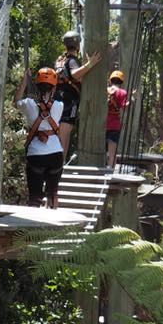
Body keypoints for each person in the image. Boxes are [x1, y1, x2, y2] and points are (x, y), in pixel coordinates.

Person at [14, 67, 64, 208]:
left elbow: (15, 100)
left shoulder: (29, 104)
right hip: (55, 154)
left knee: (35, 197)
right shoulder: (59, 106)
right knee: (53, 193)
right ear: (53, 89)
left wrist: (25, 79)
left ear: (36, 87)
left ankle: (31, 226)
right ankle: (53, 221)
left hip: (36, 155)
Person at [54, 30, 103, 158]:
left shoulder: (60, 60)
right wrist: (90, 63)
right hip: (69, 101)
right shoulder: (71, 61)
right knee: (65, 133)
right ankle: (60, 165)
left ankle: (57, 163)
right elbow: (75, 74)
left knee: (59, 133)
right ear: (77, 45)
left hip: (57, 98)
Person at [106, 70, 129, 168]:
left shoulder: (105, 90)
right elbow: (124, 106)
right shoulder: (123, 93)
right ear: (121, 82)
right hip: (114, 125)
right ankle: (110, 171)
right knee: (112, 152)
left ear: (110, 81)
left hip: (103, 124)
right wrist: (132, 98)